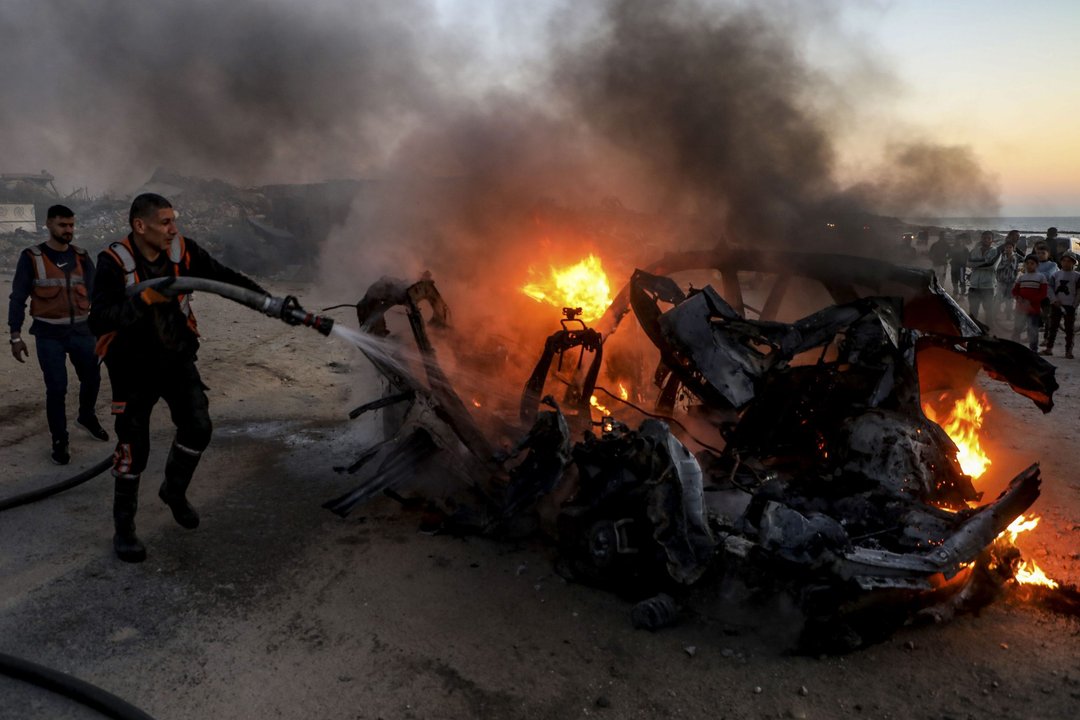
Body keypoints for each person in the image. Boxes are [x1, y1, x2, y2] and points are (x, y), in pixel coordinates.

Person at [89, 193, 270, 563]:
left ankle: (173, 490)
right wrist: (144, 300)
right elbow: (99, 320)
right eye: (165, 222)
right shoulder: (114, 262)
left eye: (174, 220)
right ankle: (124, 528)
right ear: (140, 226)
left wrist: (268, 301)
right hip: (132, 368)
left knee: (198, 426)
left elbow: (223, 277)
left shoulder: (183, 251)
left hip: (176, 359)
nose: (174, 229)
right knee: (133, 448)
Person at [7, 204, 109, 464]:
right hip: (49, 335)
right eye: (63, 225)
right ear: (49, 224)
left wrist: (105, 329)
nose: (68, 230)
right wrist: (16, 336)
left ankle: (86, 416)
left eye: (71, 225)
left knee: (92, 378)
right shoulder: (32, 257)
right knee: (56, 388)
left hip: (82, 332)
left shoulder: (82, 257)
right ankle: (60, 439)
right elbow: (18, 297)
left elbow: (99, 295)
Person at [1042, 252, 1080, 358]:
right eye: (1064, 261)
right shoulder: (1056, 275)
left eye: (1069, 261)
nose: (1066, 263)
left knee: (1069, 330)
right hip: (1056, 305)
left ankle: (1069, 351)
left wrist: (1074, 305)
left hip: (1070, 306)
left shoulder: (1077, 276)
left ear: (1073, 263)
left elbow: (1079, 292)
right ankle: (1049, 348)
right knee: (1053, 327)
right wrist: (1054, 300)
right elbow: (1049, 288)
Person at [1013, 254, 1049, 351]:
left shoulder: (1041, 277)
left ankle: (1033, 350)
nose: (1029, 265)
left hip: (1033, 309)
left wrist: (1030, 301)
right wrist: (1018, 297)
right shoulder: (1021, 277)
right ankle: (1015, 349)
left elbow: (1043, 294)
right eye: (1027, 263)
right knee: (1017, 329)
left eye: (1032, 263)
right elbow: (1015, 291)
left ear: (1037, 265)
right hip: (1020, 309)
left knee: (1033, 330)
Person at [966, 231, 1003, 324]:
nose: (986, 240)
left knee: (989, 312)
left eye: (988, 238)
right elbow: (968, 263)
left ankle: (989, 330)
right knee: (973, 312)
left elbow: (992, 266)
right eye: (984, 238)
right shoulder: (974, 251)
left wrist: (975, 264)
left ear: (992, 240)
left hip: (988, 287)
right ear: (981, 239)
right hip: (973, 286)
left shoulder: (996, 251)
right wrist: (985, 261)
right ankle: (973, 330)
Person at [995, 232, 1021, 325]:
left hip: (1011, 281)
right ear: (1004, 248)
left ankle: (1008, 314)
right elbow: (997, 267)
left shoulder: (1016, 256)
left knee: (1010, 299)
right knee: (999, 297)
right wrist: (1007, 262)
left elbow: (1022, 262)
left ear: (1013, 248)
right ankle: (996, 313)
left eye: (1010, 247)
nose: (1008, 249)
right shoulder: (1001, 256)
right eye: (1007, 247)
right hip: (1001, 280)